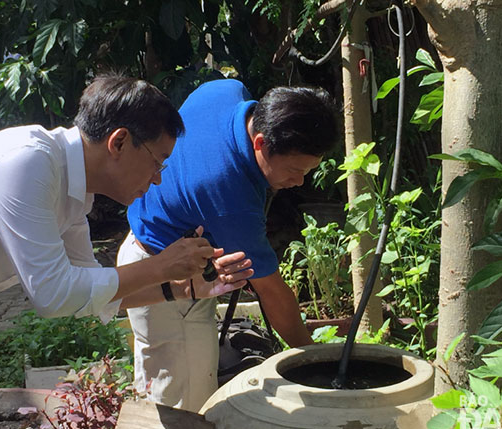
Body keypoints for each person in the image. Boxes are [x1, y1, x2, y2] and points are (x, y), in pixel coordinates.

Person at [118, 78, 340, 411]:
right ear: (261, 142)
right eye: (295, 169)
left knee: (156, 384)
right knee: (185, 409)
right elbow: (271, 291)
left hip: (143, 249)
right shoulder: (230, 195)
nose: (299, 182)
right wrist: (316, 365)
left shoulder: (226, 92)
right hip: (166, 289)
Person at [0, 74, 253, 325]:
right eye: (158, 162)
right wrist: (160, 266)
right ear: (119, 142)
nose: (157, 178)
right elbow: (53, 294)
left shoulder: (73, 189)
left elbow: (90, 293)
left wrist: (183, 288)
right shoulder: (27, 162)